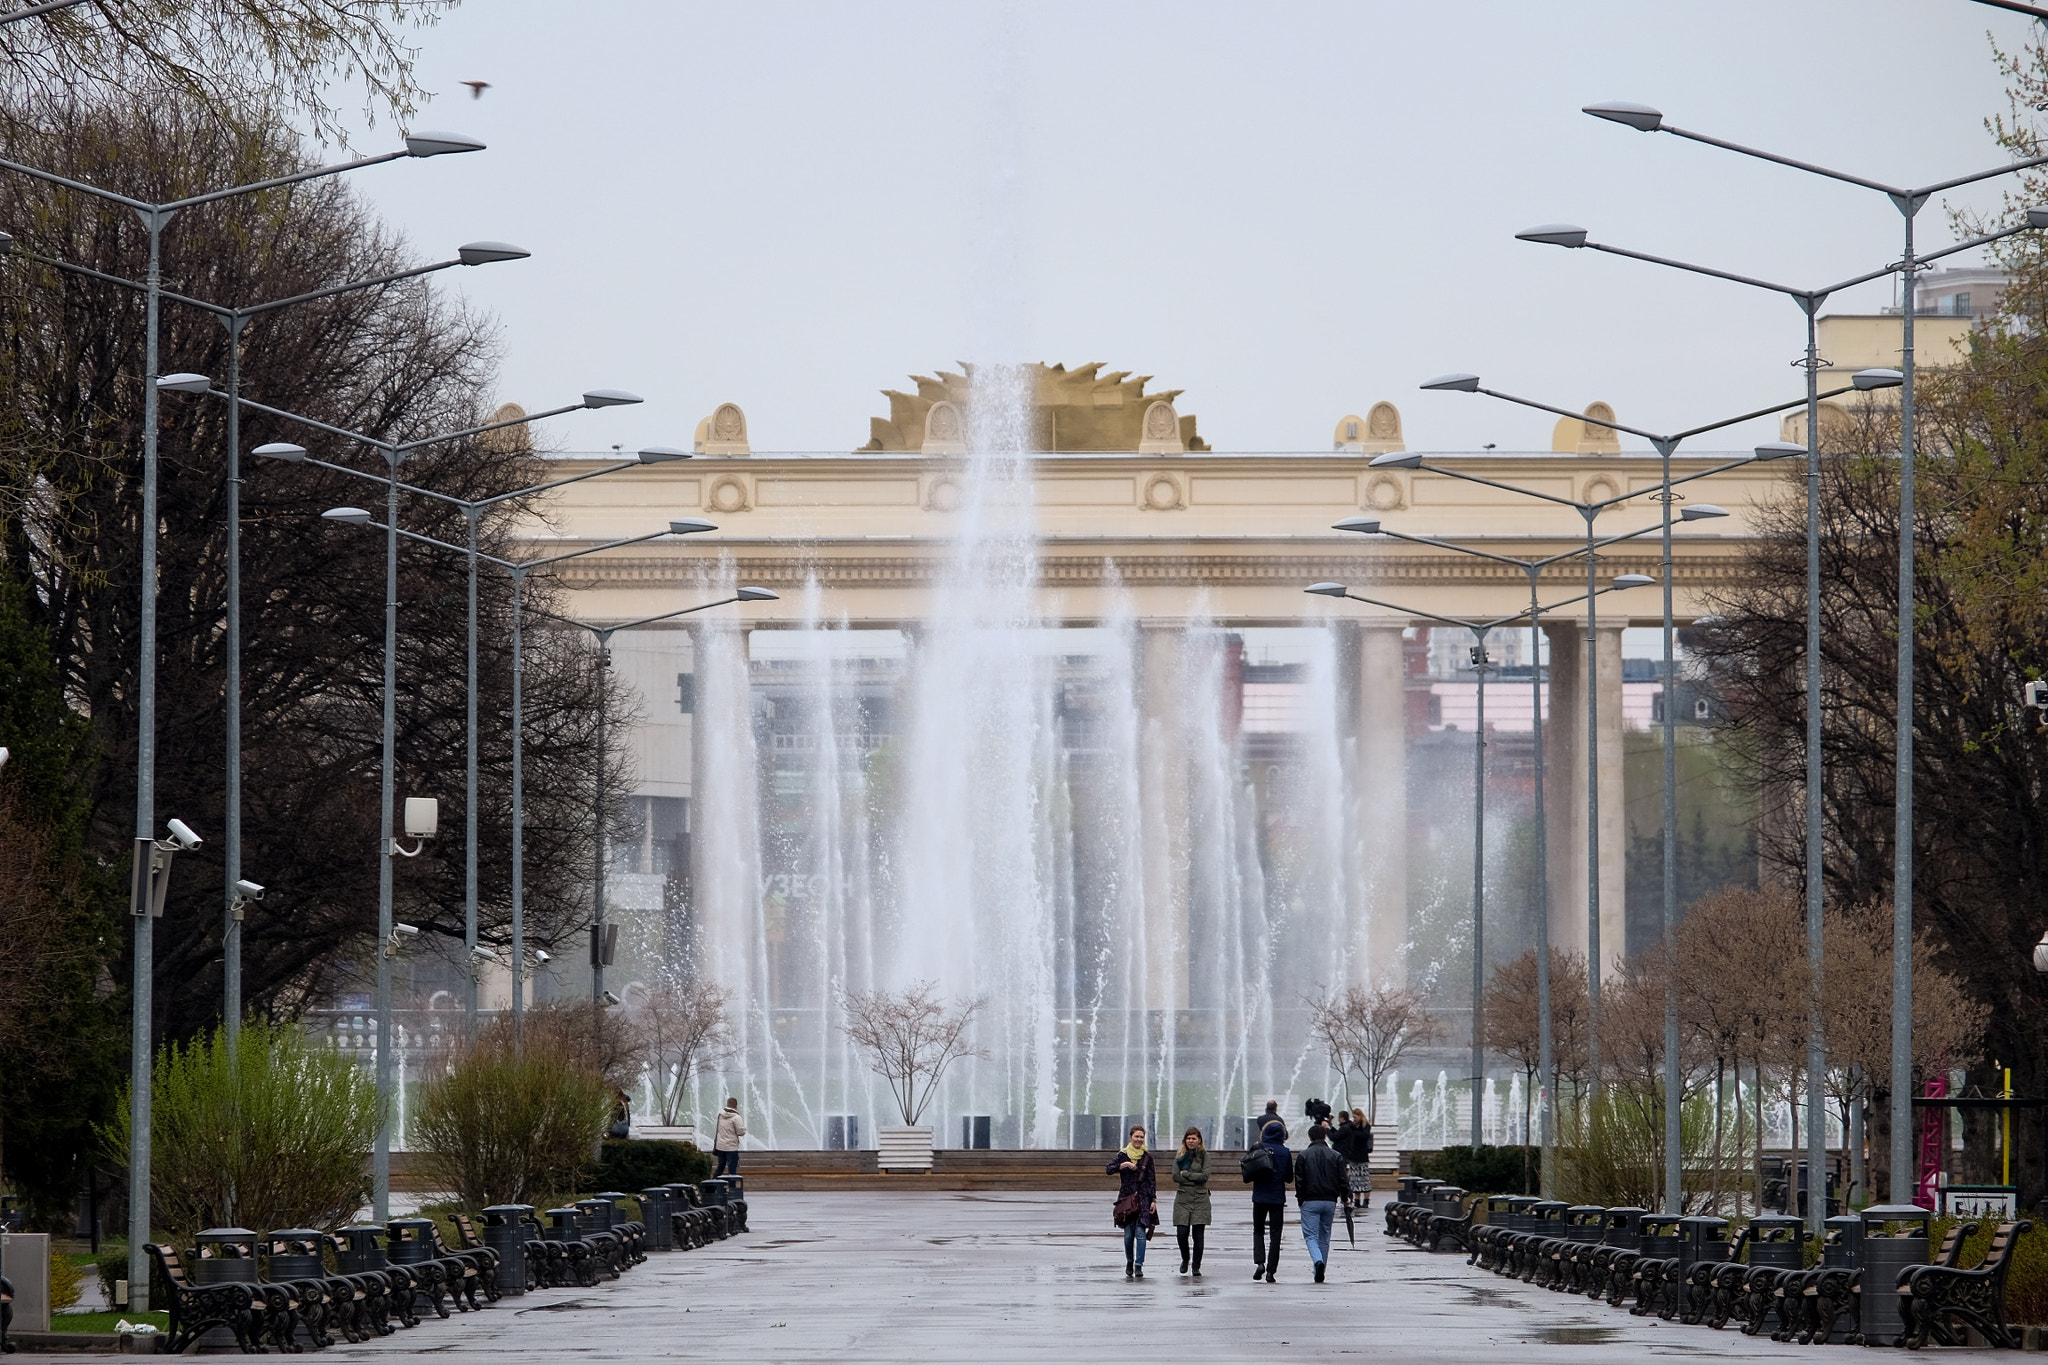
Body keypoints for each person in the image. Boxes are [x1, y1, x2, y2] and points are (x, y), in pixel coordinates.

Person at [1294, 1122, 1349, 1282]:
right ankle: (1321, 1267)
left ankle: (1318, 1262)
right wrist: (1344, 1197)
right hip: (1329, 1201)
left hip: (1310, 1200)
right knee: (1325, 1236)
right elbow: (1342, 1180)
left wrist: (1300, 1199)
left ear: (1310, 1137)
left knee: (1311, 1236)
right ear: (1325, 1136)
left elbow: (1299, 1180)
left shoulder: (1303, 1155)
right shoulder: (1336, 1155)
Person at [1107, 1124, 1158, 1279]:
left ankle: (1138, 1265)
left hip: (1143, 1199)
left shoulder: (1147, 1157)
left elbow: (1152, 1180)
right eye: (1136, 1136)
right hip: (1127, 1200)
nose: (1139, 1139)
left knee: (1141, 1233)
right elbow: (1109, 1169)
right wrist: (1124, 1165)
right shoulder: (1123, 1154)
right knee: (1129, 1235)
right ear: (1131, 1137)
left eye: (1141, 1137)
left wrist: (1153, 1200)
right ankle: (1129, 1261)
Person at [1247, 1117, 1292, 1282]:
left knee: (1258, 1231)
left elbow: (1248, 1167)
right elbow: (1288, 1178)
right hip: (1277, 1198)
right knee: (1275, 1235)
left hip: (1259, 1196)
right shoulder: (1285, 1152)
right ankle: (1271, 1271)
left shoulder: (1258, 1147)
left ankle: (1259, 1262)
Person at [1172, 1126, 1212, 1276]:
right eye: (1188, 1138)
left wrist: (1187, 1175)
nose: (1191, 1141)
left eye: (1194, 1138)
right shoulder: (1180, 1156)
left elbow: (1205, 1176)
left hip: (1200, 1199)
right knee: (1182, 1233)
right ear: (1185, 1140)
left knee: (1198, 1235)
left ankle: (1196, 1266)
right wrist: (1194, 1177)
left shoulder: (1204, 1156)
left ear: (1199, 1140)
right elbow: (1175, 1176)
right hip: (1183, 1199)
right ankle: (1185, 1258)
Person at [713, 1097, 745, 1177]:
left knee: (720, 1166)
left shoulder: (720, 1115)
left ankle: (712, 1185)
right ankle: (732, 1187)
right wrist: (744, 1130)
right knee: (732, 1169)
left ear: (727, 1104)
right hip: (731, 1147)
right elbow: (740, 1132)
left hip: (720, 1146)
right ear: (736, 1106)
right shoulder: (736, 1118)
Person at [1349, 1108, 1375, 1206]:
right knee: (1355, 1180)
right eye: (1353, 1117)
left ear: (1360, 1116)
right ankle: (1357, 1200)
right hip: (1354, 1156)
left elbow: (1364, 1136)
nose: (1354, 1119)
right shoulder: (1353, 1126)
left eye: (1355, 1117)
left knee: (1364, 1179)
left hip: (1362, 1155)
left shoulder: (1365, 1126)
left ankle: (1366, 1200)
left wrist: (1354, 1130)